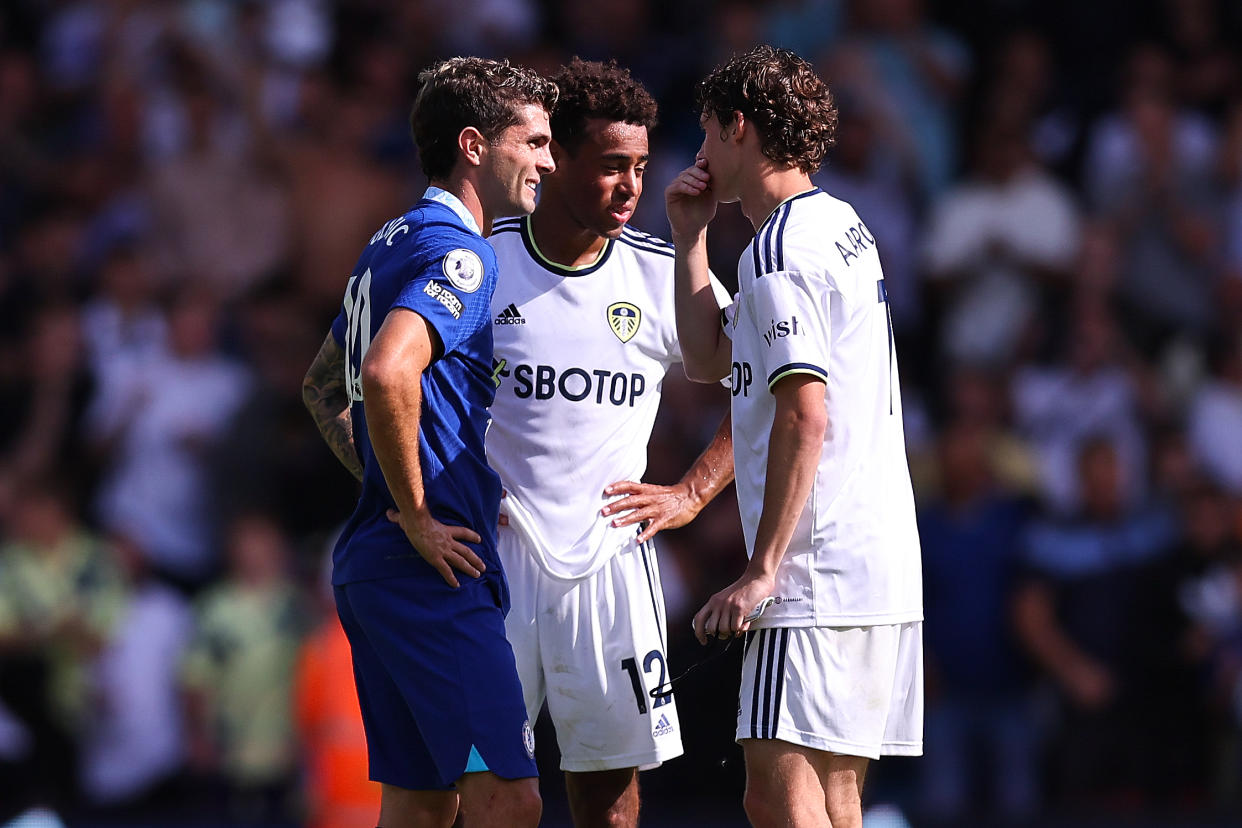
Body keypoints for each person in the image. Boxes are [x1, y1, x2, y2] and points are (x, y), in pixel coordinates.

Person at [666, 45, 924, 828]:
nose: (701, 153)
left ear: (739, 128)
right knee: (834, 795)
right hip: (877, 563)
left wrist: (763, 569)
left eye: (708, 134)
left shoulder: (780, 250)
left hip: (813, 571)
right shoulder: (839, 224)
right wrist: (689, 241)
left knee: (774, 791)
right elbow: (712, 358)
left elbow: (805, 412)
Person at [301, 57, 557, 828]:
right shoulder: (462, 253)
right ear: (475, 145)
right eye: (534, 141)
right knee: (509, 802)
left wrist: (387, 484)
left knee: (420, 807)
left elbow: (320, 388)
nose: (548, 160)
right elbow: (384, 373)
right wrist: (416, 510)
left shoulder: (388, 242)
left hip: (376, 570)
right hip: (430, 576)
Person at [485, 58, 734, 827]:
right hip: (495, 557)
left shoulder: (663, 274)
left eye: (638, 166)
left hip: (610, 559)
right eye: (609, 166)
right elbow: (372, 386)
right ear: (555, 158)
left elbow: (769, 384)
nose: (630, 187)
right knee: (492, 792)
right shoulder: (479, 263)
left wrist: (692, 491)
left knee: (610, 796)